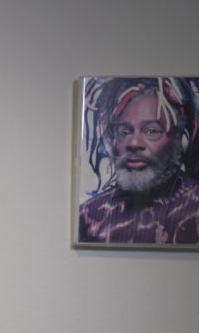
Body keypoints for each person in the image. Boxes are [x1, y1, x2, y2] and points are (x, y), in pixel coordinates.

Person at [78, 77, 199, 245]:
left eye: (151, 130)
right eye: (125, 131)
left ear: (180, 140)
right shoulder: (88, 216)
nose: (134, 143)